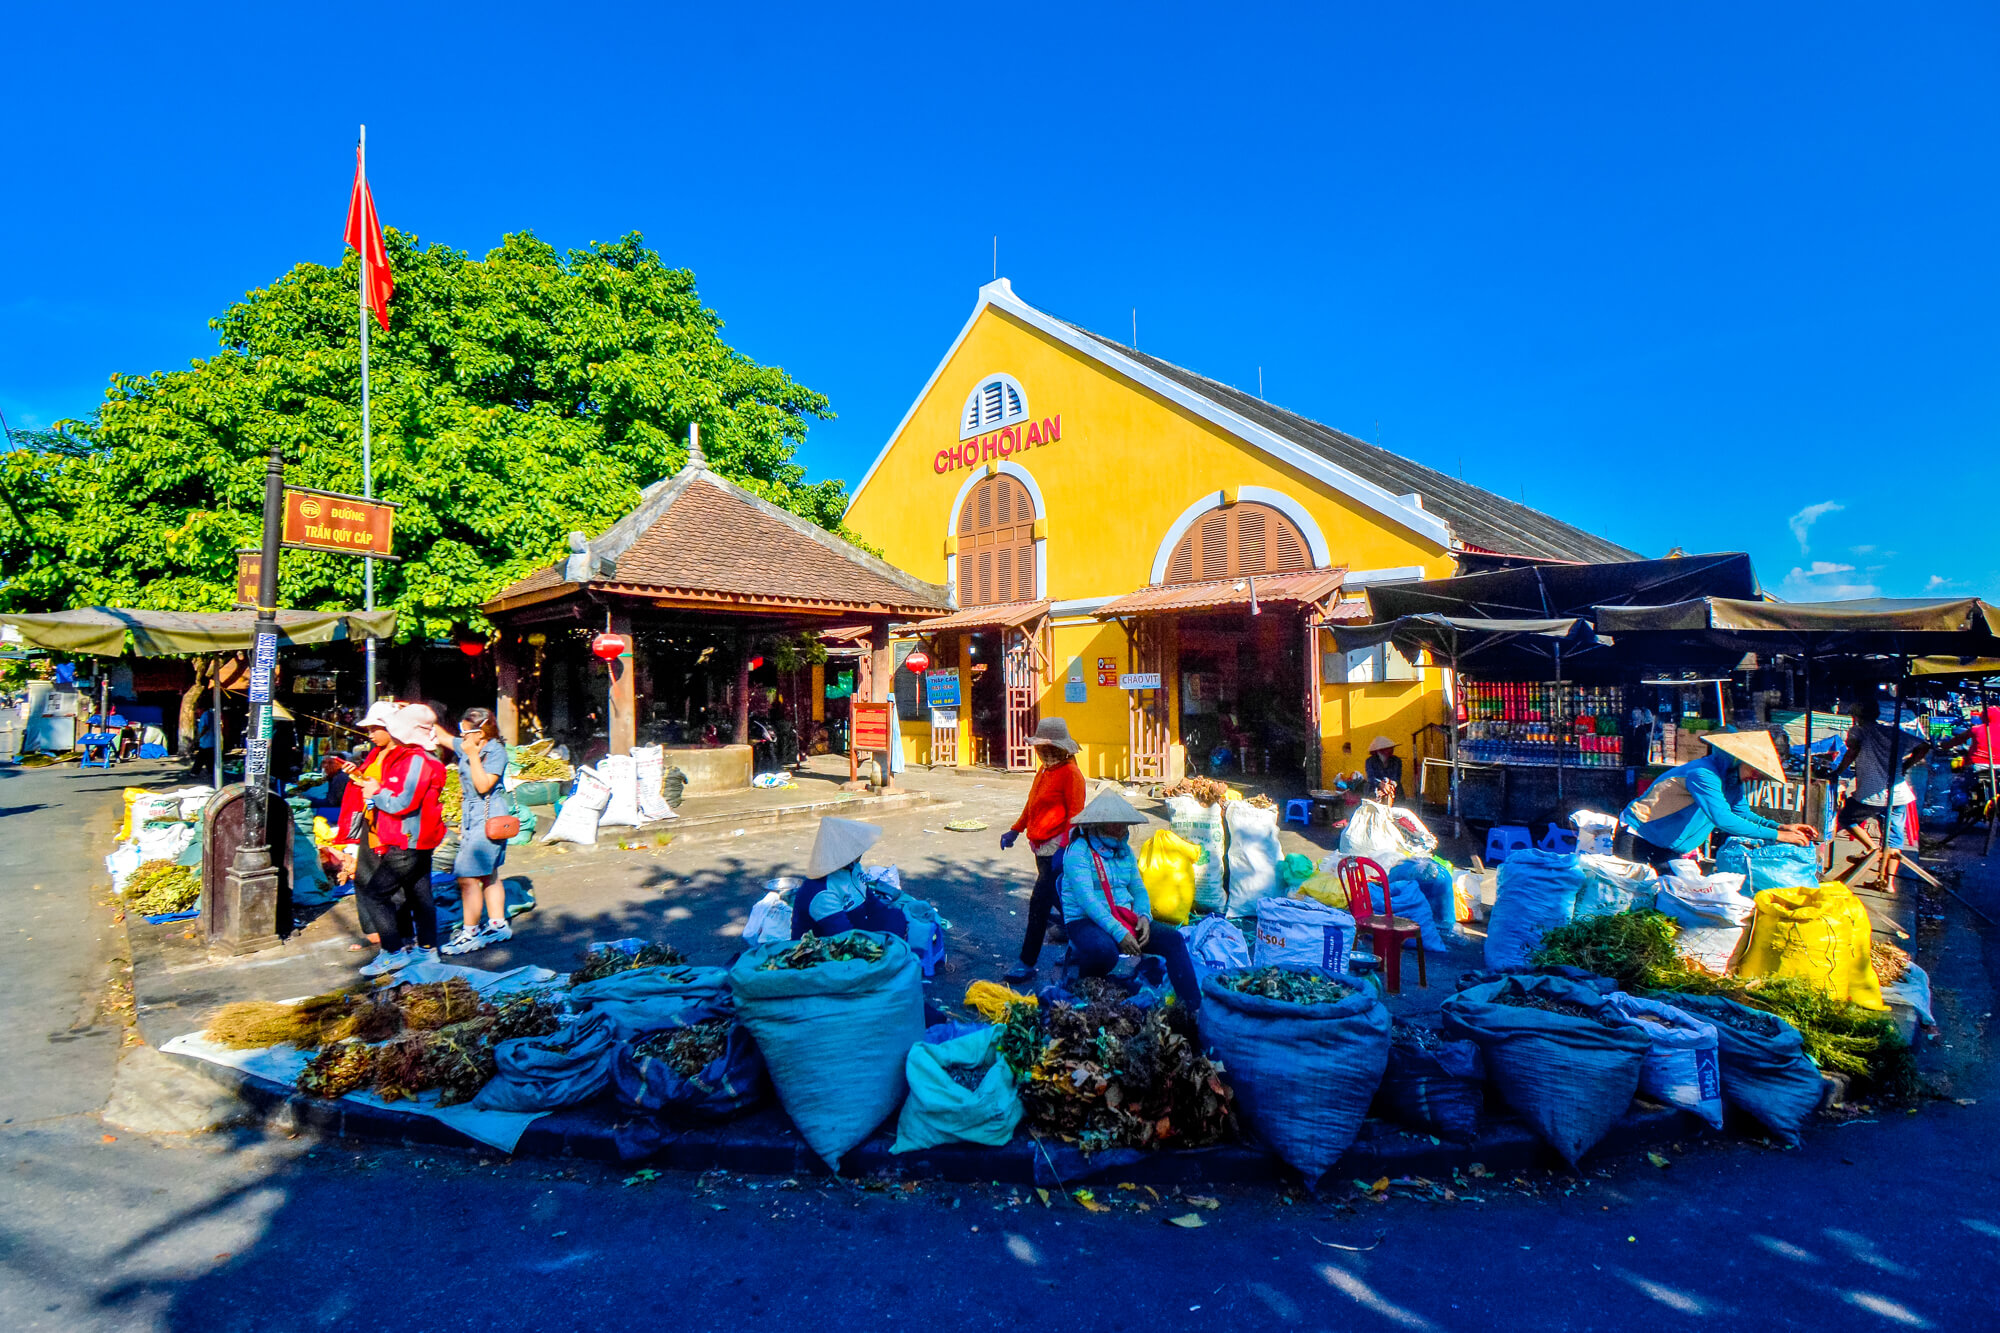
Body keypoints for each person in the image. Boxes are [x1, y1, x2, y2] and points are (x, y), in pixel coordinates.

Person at [1059, 788, 1202, 1012]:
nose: (1121, 829)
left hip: (1123, 915)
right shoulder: (1078, 852)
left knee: (1173, 940)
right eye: (1115, 824)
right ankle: (1084, 990)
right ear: (1096, 825)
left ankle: (1192, 1008)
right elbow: (1087, 901)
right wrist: (1119, 932)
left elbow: (1138, 888)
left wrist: (1144, 916)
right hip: (1084, 920)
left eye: (1124, 824)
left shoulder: (1123, 850)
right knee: (1104, 952)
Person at [1617, 729, 1817, 869]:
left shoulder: (1732, 781)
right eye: (1754, 770)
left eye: (1760, 775)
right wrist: (1777, 837)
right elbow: (1724, 819)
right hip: (1639, 838)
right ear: (1739, 759)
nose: (1755, 777)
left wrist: (1781, 828)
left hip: (1667, 846)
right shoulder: (1704, 774)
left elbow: (1742, 814)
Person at [357, 704, 450, 976]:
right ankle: (427, 950)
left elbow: (402, 803)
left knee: (375, 894)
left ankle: (393, 952)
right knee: (420, 895)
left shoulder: (416, 760)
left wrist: (376, 792)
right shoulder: (420, 758)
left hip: (406, 839)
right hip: (418, 839)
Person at [1001, 718, 1087, 983]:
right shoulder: (1044, 772)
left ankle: (1026, 962)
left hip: (1056, 851)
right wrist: (1015, 829)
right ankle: (1084, 944)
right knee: (1062, 902)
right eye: (1041, 749)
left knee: (1039, 903)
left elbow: (1076, 815)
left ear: (1062, 749)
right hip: (1039, 849)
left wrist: (1064, 848)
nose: (1043, 753)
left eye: (1048, 749)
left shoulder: (1071, 774)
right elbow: (1032, 805)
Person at [442, 707, 514, 955]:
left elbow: (483, 785)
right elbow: (440, 737)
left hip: (488, 814)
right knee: (489, 873)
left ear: (481, 731)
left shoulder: (495, 751)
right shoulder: (466, 743)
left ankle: (470, 931)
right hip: (472, 816)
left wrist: (472, 755)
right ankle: (497, 925)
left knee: (467, 877)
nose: (461, 736)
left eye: (466, 731)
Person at [329, 700, 400, 951]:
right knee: (363, 878)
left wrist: (369, 784)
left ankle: (394, 935)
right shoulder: (376, 753)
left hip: (391, 829)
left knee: (391, 886)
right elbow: (368, 783)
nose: (369, 734)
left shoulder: (401, 756)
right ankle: (374, 931)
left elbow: (395, 791)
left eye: (373, 729)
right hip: (371, 827)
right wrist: (355, 774)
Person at [1833, 697, 1929, 881]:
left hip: (1871, 794)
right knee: (1893, 840)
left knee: (1846, 818)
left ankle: (1871, 848)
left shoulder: (1858, 731)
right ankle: (1887, 882)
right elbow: (1924, 746)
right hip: (1899, 795)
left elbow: (1851, 752)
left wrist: (1837, 771)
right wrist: (1906, 765)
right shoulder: (1893, 732)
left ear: (1856, 716)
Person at [789, 816, 906, 937]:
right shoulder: (821, 892)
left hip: (854, 925)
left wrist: (887, 918)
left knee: (895, 917)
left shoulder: (853, 868)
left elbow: (871, 902)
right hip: (827, 944)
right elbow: (844, 937)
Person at [1364, 736, 1402, 802]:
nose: (1391, 751)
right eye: (1387, 749)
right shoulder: (1370, 761)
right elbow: (1371, 777)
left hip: (1393, 790)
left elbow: (1396, 777)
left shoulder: (1396, 760)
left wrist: (1390, 786)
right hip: (1375, 789)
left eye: (1391, 748)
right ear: (1379, 751)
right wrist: (1380, 785)